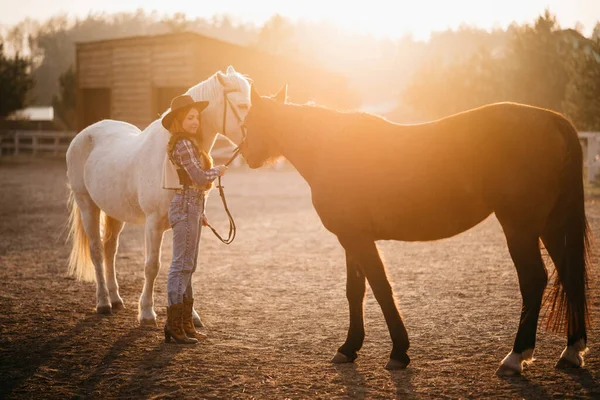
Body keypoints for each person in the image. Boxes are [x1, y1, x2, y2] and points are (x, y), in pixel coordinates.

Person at [161, 94, 227, 344]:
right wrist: (217, 171)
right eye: (190, 117)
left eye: (197, 118)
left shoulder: (189, 143)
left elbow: (194, 182)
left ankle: (184, 323)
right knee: (181, 265)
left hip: (193, 207)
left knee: (189, 265)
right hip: (186, 205)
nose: (195, 121)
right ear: (179, 120)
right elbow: (199, 177)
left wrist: (201, 213)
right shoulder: (183, 145)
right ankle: (174, 325)